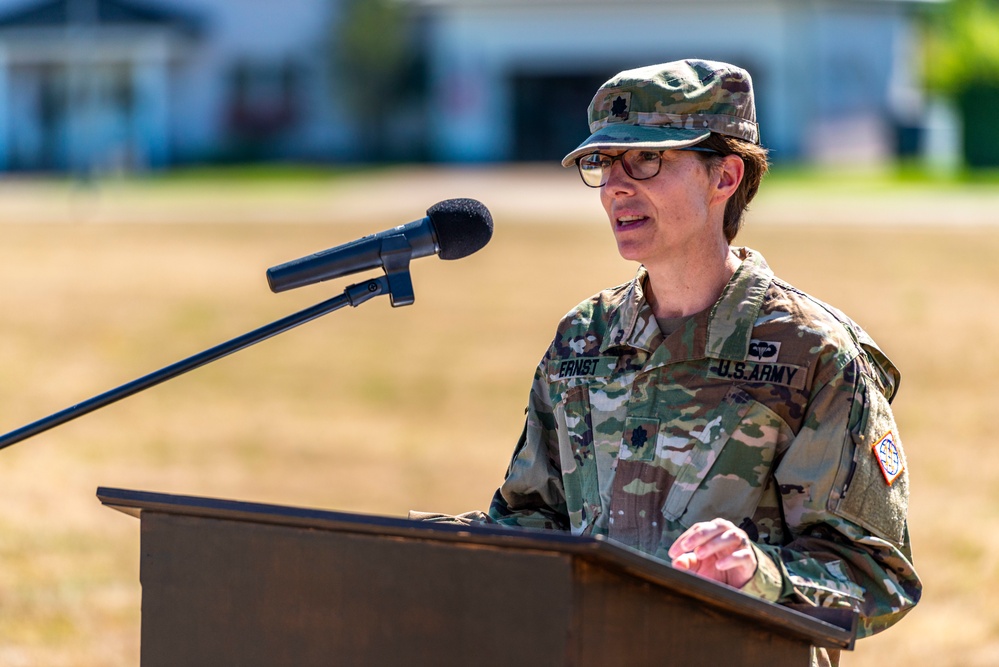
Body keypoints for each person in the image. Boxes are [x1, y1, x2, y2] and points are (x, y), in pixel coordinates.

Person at [417, 59, 920, 665]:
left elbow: (875, 576)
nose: (615, 187)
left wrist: (757, 573)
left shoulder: (813, 353)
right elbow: (537, 520)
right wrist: (427, 549)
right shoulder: (583, 340)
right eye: (604, 165)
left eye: (648, 160)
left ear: (725, 176)